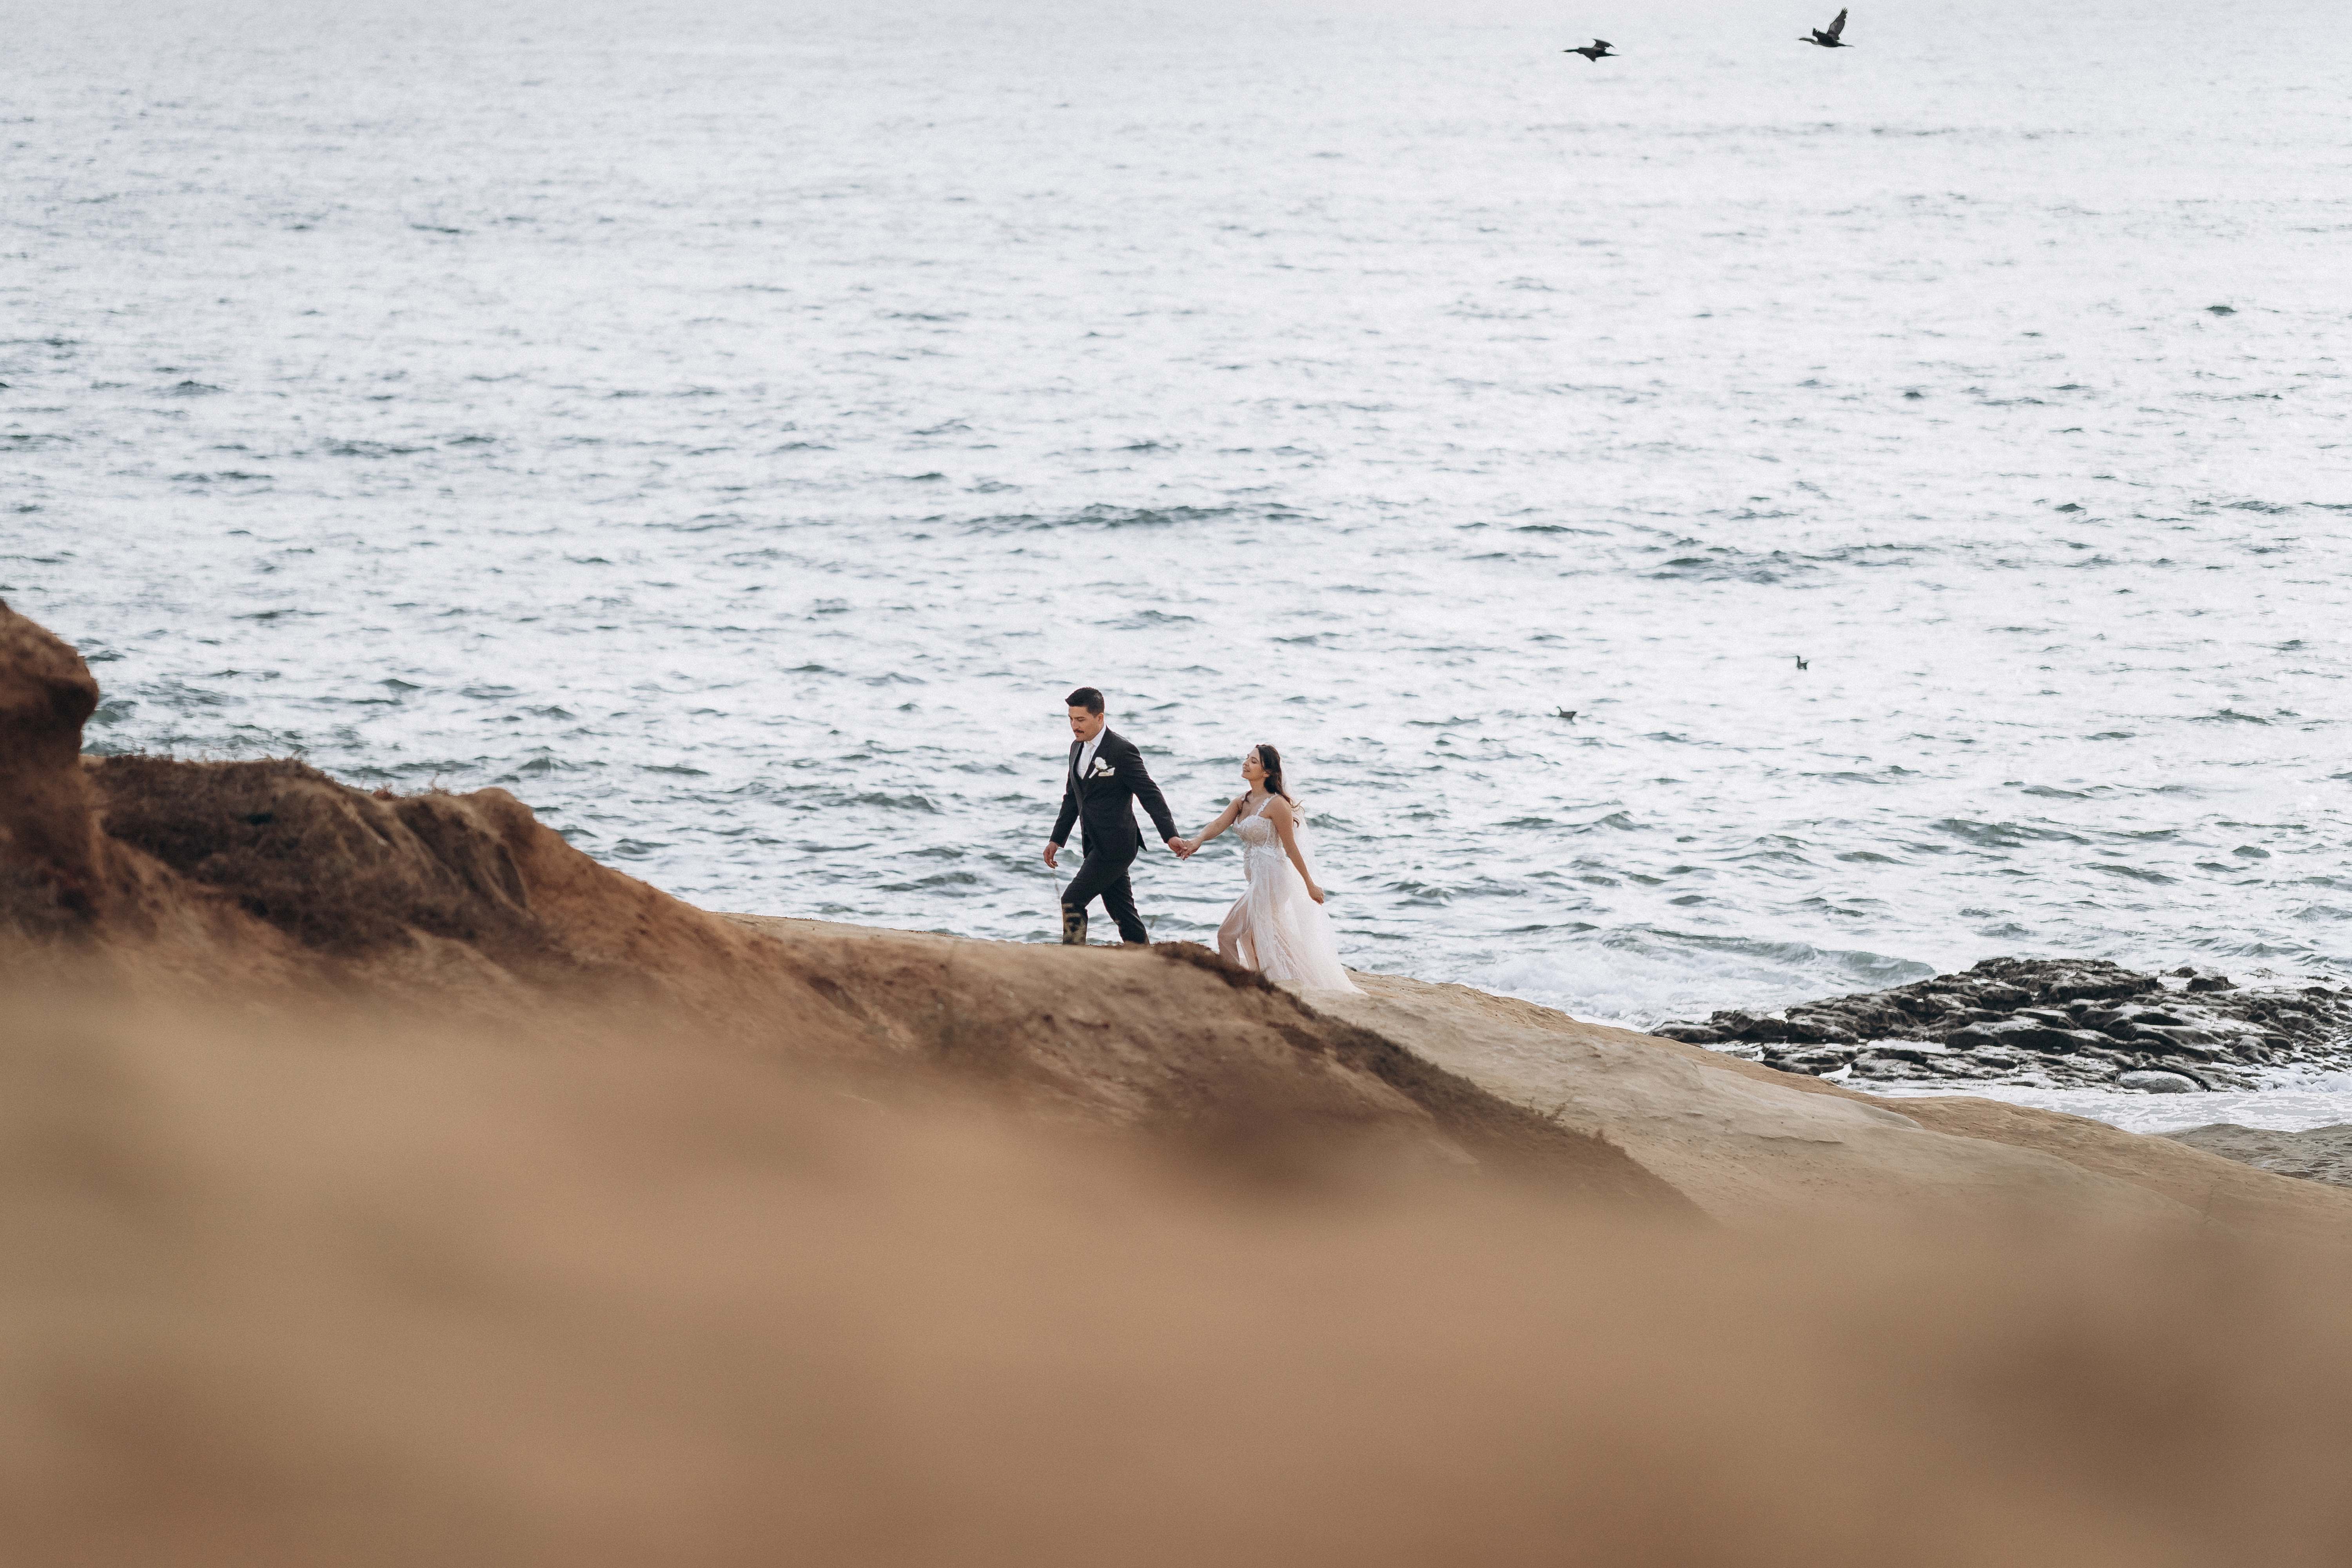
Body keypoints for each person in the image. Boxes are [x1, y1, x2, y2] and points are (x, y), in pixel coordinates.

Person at [1172, 744, 1359, 993]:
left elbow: (1291, 849)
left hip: (1272, 879)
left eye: (1254, 762)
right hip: (1256, 879)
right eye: (1247, 759)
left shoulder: (1277, 805)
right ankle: (1273, 984)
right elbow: (1218, 824)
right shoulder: (1242, 801)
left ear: (1268, 772)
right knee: (1256, 937)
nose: (1246, 764)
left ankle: (1237, 988)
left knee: (1227, 934)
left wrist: (1310, 885)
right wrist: (1197, 841)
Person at [1043, 686, 1183, 946]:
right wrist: (1056, 840)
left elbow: (1150, 794)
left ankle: (1072, 958)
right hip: (1093, 842)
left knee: (1072, 900)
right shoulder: (1076, 748)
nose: (1075, 725)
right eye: (1071, 719)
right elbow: (1072, 798)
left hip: (1116, 845)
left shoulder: (1122, 751)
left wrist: (1170, 835)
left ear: (1100, 718)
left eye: (1081, 719)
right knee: (1121, 911)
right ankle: (1144, 955)